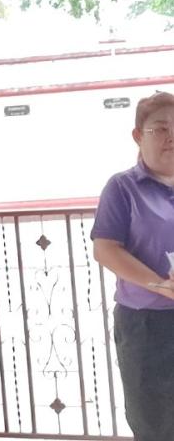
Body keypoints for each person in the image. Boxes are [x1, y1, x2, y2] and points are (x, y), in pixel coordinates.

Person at [91, 91, 174, 441]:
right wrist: (160, 285)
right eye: (161, 128)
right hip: (147, 326)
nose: (171, 137)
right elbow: (106, 249)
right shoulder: (123, 188)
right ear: (138, 136)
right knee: (156, 424)